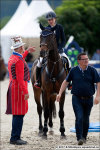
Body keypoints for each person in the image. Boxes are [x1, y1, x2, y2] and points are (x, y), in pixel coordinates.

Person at [56, 52, 100, 145]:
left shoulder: (92, 70)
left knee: (86, 118)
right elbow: (65, 82)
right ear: (79, 61)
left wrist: (98, 96)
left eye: (87, 59)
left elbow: (98, 83)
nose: (86, 61)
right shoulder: (73, 70)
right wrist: (60, 93)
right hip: (77, 98)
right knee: (79, 117)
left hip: (89, 99)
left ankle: (84, 137)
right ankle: (79, 137)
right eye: (84, 59)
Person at [6, 36, 35, 145]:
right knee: (19, 113)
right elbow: (20, 78)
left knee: (17, 113)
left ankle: (15, 136)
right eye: (22, 46)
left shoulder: (13, 57)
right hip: (18, 89)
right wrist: (25, 92)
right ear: (19, 48)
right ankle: (15, 137)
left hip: (13, 87)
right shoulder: (18, 60)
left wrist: (27, 52)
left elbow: (20, 58)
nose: (23, 47)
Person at [34, 11, 71, 88]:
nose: (50, 21)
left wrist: (59, 48)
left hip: (59, 50)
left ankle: (69, 82)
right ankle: (38, 81)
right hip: (48, 52)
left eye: (51, 19)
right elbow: (44, 41)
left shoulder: (59, 27)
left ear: (55, 19)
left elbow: (63, 40)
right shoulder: (46, 29)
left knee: (68, 61)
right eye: (49, 20)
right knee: (40, 62)